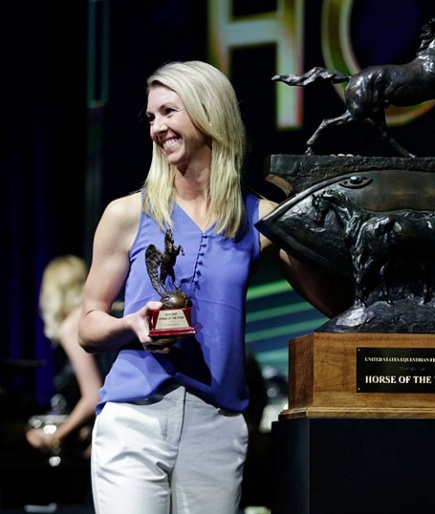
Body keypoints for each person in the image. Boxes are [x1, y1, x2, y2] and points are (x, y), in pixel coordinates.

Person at [78, 60, 350, 514]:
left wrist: (330, 206)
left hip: (216, 425)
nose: (157, 128)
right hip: (134, 419)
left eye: (169, 112)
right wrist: (132, 326)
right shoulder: (126, 213)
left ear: (209, 113)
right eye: (151, 117)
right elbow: (88, 325)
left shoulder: (261, 219)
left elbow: (334, 306)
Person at [26, 255, 102, 459]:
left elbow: (93, 395)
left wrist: (55, 438)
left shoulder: (73, 326)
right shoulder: (98, 316)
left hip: (101, 440)